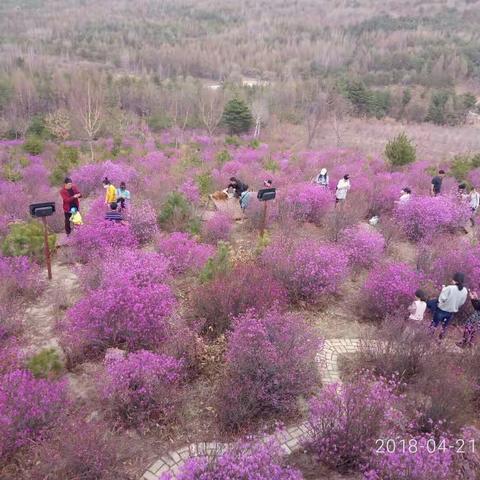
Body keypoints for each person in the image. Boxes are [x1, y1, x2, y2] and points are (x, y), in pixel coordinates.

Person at [427, 272, 468, 338]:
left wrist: (443, 289)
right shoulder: (465, 290)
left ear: (455, 280)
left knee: (434, 324)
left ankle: (428, 337)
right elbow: (462, 302)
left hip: (442, 310)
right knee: (444, 327)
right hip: (451, 312)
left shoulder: (450, 288)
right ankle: (440, 339)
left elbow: (442, 299)